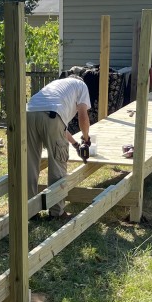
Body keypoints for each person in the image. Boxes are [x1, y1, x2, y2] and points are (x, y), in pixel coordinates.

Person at [26, 68, 92, 218]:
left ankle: (29, 211)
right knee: (58, 162)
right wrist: (86, 138)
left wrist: (76, 145)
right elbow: (83, 117)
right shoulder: (82, 86)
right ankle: (57, 212)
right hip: (51, 115)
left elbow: (59, 127)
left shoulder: (58, 86)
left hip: (28, 114)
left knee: (29, 164)